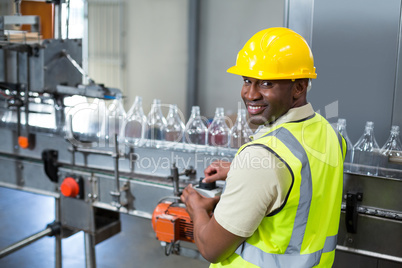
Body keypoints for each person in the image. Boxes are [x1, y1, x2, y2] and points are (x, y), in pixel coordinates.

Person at [180, 27, 346, 267]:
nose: (250, 93)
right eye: (247, 80)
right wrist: (242, 171)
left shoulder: (263, 159)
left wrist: (196, 208)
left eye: (266, 83)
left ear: (298, 87)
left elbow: (210, 248)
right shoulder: (331, 135)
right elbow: (303, 181)